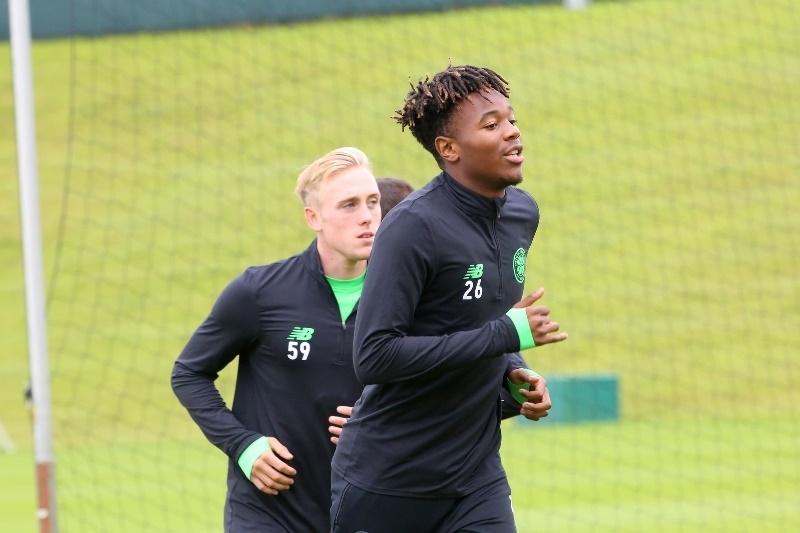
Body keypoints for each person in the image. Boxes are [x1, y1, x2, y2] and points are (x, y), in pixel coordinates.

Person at [330, 65, 568, 532]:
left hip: (477, 477)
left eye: (511, 119)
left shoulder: (522, 213)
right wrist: (505, 335)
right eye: (491, 125)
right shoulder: (411, 227)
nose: (512, 132)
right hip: (390, 481)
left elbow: (478, 320)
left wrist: (514, 373)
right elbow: (375, 357)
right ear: (448, 148)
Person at [171, 147, 381, 532]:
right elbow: (189, 373)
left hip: (363, 511)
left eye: (372, 201)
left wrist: (384, 423)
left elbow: (438, 389)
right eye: (349, 205)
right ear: (313, 217)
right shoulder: (260, 292)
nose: (367, 216)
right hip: (267, 513)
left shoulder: (404, 299)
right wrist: (243, 445)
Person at [376, 176, 544, 421]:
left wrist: (519, 382)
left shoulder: (433, 294)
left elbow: (483, 354)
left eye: (371, 204)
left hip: (450, 438)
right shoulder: (375, 304)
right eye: (350, 205)